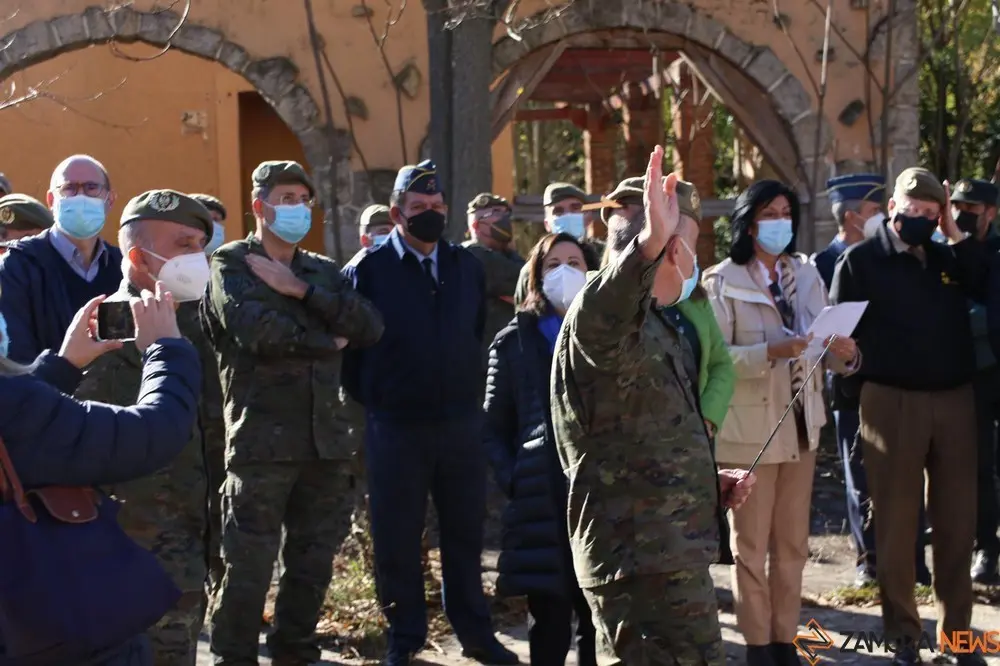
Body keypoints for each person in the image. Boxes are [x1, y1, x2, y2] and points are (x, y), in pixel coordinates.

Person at [550, 147, 755, 665]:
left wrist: (707, 482)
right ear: (670, 249)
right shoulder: (604, 313)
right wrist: (648, 244)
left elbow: (648, 431)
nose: (696, 257)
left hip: (671, 549)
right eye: (690, 243)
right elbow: (614, 300)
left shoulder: (661, 323)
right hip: (636, 559)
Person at [203, 160, 385, 666]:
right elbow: (255, 331)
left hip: (325, 443)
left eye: (304, 199)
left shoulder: (321, 272)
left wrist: (297, 291)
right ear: (260, 207)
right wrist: (325, 339)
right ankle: (233, 656)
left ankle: (294, 650)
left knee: (311, 563)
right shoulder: (229, 264)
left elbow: (369, 326)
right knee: (247, 565)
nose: (297, 208)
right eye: (286, 198)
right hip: (261, 441)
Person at [342, 160, 517, 666]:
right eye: (418, 208)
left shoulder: (466, 267)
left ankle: (477, 635)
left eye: (437, 207)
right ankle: (405, 638)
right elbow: (352, 360)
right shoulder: (369, 271)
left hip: (461, 423)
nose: (429, 215)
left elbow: (474, 333)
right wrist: (384, 400)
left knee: (465, 534)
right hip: (396, 426)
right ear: (397, 213)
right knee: (397, 536)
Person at [0, 283, 203, 666]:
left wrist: (61, 368)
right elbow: (153, 432)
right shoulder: (15, 404)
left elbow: (24, 434)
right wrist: (166, 349)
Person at [832, 168, 988, 666]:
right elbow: (838, 344)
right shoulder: (860, 261)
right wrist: (851, 394)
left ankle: (957, 637)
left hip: (954, 399)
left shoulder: (947, 258)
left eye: (930, 212)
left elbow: (987, 284)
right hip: (891, 400)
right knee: (897, 526)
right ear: (893, 206)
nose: (919, 219)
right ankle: (903, 636)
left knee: (957, 524)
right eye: (912, 210)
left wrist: (957, 235)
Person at [703, 180, 860, 666]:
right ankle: (755, 645)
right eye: (770, 212)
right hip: (749, 433)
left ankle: (784, 639)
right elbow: (715, 358)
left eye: (787, 212)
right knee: (750, 547)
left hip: (801, 427)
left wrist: (847, 354)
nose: (780, 221)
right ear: (749, 222)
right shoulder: (722, 280)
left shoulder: (807, 273)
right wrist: (769, 351)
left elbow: (824, 343)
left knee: (793, 544)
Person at [73, 190, 219, 666]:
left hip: (195, 533)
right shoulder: (107, 330)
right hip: (135, 548)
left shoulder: (200, 321)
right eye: (183, 244)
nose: (197, 257)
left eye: (200, 243)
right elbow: (98, 447)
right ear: (137, 258)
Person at [812, 175, 930, 588]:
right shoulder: (823, 264)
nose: (879, 217)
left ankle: (913, 559)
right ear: (851, 217)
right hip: (850, 385)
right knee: (860, 474)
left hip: (894, 380)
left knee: (907, 474)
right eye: (871, 211)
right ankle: (869, 559)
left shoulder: (897, 257)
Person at [484, 232, 597, 666]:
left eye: (575, 262)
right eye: (553, 264)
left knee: (597, 621)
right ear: (536, 275)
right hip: (541, 501)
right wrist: (517, 477)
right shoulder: (514, 341)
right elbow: (493, 427)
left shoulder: (611, 334)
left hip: (600, 496)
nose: (565, 271)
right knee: (548, 621)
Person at [0, 154, 122, 363]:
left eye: (91, 187)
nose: (80, 196)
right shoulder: (17, 266)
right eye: (69, 188)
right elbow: (17, 363)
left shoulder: (122, 266)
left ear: (109, 200)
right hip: (45, 393)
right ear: (51, 200)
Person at [955, 178, 1000, 583]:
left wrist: (960, 315)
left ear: (990, 212)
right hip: (964, 378)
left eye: (970, 209)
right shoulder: (946, 252)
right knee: (976, 468)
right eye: (957, 206)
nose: (961, 215)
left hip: (991, 371)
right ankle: (985, 547)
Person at [462, 192, 524, 371]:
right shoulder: (471, 255)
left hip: (512, 359)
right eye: (496, 213)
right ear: (476, 225)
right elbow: (523, 281)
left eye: (506, 213)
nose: (504, 218)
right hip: (481, 362)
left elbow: (534, 285)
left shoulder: (510, 256)